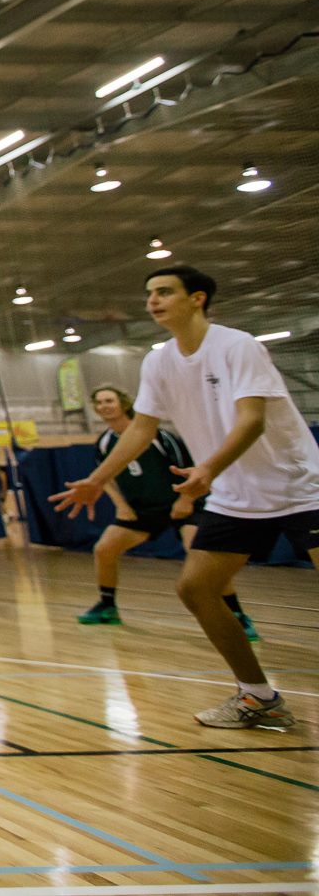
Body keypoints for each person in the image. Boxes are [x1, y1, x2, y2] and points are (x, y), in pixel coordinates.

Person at [53, 266, 319, 730]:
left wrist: (209, 469)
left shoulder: (237, 346)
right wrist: (97, 480)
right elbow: (141, 429)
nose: (153, 301)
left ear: (197, 298)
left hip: (300, 486)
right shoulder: (158, 362)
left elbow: (252, 420)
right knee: (195, 588)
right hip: (236, 496)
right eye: (149, 293)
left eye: (164, 292)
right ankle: (259, 697)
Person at [75, 385, 258, 639]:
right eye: (99, 402)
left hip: (181, 504)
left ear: (123, 403)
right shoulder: (105, 442)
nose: (104, 406)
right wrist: (122, 506)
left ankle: (237, 614)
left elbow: (192, 469)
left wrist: (184, 500)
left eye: (109, 400)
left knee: (201, 554)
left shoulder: (160, 437)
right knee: (104, 548)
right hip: (143, 510)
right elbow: (103, 478)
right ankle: (107, 606)